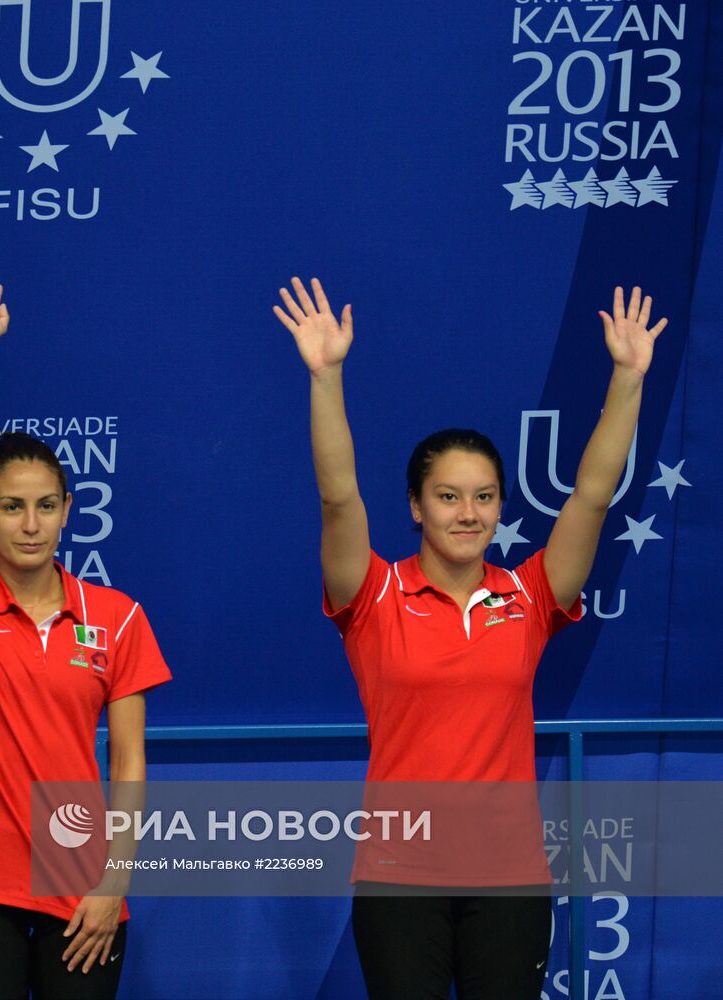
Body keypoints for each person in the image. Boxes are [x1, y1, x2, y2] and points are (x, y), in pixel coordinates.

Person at [273, 278, 666, 999]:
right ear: (415, 507)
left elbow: (590, 494)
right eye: (447, 496)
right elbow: (336, 495)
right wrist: (325, 376)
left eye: (483, 497)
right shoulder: (372, 596)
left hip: (508, 881)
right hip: (398, 879)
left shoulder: (527, 596)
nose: (467, 513)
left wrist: (628, 378)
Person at [0, 278, 171, 999]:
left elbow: (128, 762)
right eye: (13, 507)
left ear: (67, 512)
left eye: (46, 506)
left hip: (81, 891)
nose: (31, 523)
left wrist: (110, 884)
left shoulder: (117, 616)